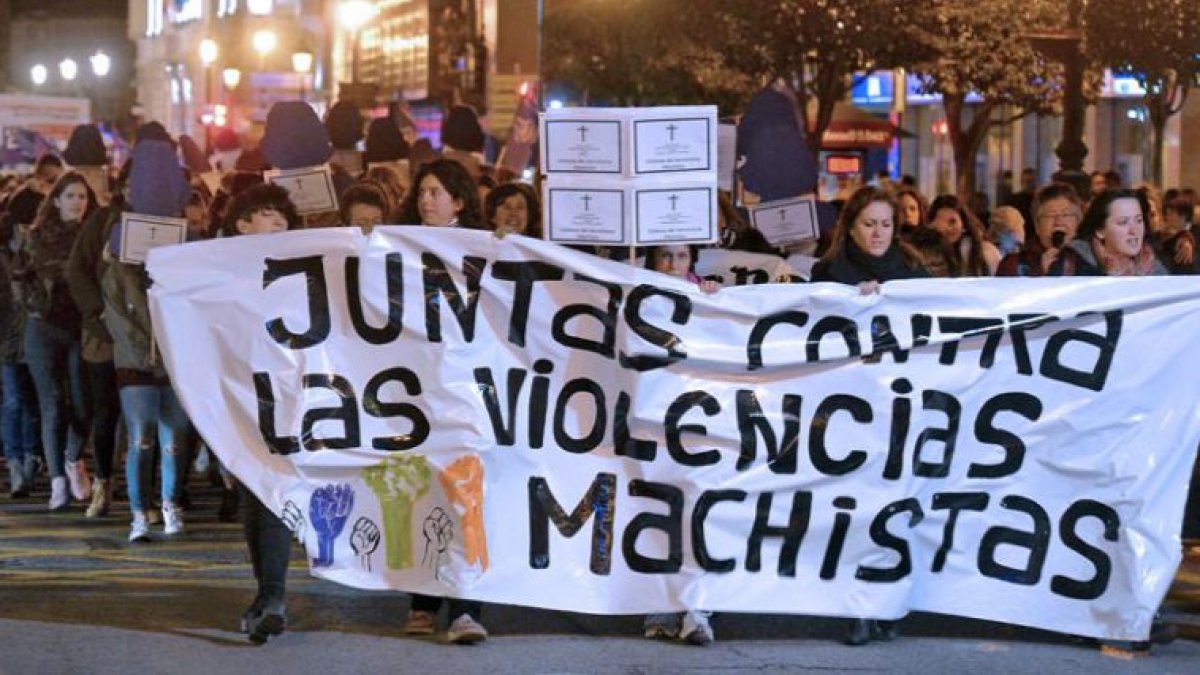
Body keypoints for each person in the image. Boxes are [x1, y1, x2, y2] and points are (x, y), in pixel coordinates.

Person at [810, 186, 928, 645]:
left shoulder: (914, 272)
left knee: (896, 506)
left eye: (886, 224)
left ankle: (891, 601)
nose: (878, 233)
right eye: (869, 224)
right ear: (851, 227)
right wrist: (848, 304)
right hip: (849, 410)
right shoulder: (827, 273)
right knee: (856, 509)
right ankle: (858, 606)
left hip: (903, 406)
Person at [397, 158, 489, 644]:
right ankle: (423, 602)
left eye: (436, 192)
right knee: (425, 496)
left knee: (465, 497)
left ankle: (466, 609)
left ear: (459, 200)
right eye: (422, 192)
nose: (426, 200)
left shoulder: (483, 250)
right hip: (418, 394)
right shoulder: (400, 247)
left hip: (467, 394)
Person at [220, 183, 304, 645]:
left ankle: (272, 597)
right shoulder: (219, 272)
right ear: (242, 224)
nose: (279, 222)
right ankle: (265, 596)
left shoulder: (301, 268)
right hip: (236, 394)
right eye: (268, 213)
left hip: (285, 393)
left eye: (283, 215)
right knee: (253, 494)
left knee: (272, 489)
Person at [100, 139, 194, 542]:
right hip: (136, 358)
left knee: (174, 438)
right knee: (141, 437)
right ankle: (139, 512)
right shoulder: (119, 245)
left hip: (173, 358)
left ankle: (169, 503)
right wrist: (142, 347)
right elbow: (115, 308)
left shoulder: (187, 239)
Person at [639, 242, 718, 645]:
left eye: (682, 256)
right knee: (656, 510)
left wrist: (714, 301)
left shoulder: (707, 297)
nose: (672, 265)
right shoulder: (632, 293)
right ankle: (660, 603)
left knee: (698, 510)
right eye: (665, 257)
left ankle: (697, 608)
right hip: (650, 422)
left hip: (697, 423)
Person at [13, 172, 97, 510]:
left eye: (82, 197)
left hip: (81, 328)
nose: (77, 203)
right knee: (52, 404)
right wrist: (36, 305)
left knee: (83, 404)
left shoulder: (94, 238)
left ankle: (73, 458)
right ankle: (57, 482)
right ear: (57, 201)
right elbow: (19, 277)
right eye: (71, 196)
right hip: (43, 327)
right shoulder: (36, 236)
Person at [0, 188, 43, 497]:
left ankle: (30, 458)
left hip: (35, 335)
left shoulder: (38, 249)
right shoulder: (4, 252)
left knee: (31, 401)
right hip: (7, 337)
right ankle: (15, 462)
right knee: (14, 400)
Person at [1052, 189, 1165, 277]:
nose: (1134, 230)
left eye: (1139, 221)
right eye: (1123, 222)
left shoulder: (1158, 268)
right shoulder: (1072, 264)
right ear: (1100, 231)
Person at [995, 183, 1083, 277]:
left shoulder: (1088, 260)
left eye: (1066, 214)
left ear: (1078, 222)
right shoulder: (1014, 264)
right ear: (1037, 226)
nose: (1059, 221)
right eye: (1050, 215)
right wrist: (1039, 272)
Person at [926, 194, 1000, 276]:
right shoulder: (927, 252)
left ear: (963, 223)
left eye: (952, 222)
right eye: (941, 222)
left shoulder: (985, 251)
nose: (947, 228)